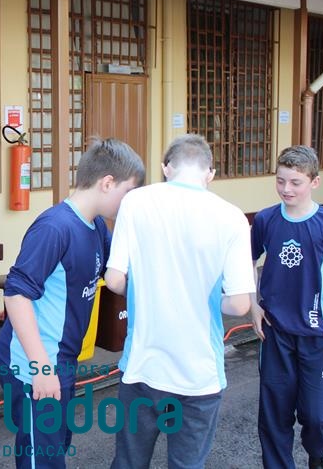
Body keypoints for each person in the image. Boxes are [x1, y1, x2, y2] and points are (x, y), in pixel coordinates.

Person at [105, 134, 255, 469]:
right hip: (199, 374)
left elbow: (114, 280)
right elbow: (239, 305)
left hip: (143, 366)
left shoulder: (136, 202)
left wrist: (149, 292)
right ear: (210, 173)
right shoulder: (232, 217)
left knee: (129, 462)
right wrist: (203, 299)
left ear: (166, 168)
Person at [0, 138, 144, 469]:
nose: (129, 203)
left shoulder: (95, 226)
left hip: (62, 358)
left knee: (56, 444)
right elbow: (16, 295)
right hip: (35, 361)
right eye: (128, 192)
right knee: (42, 456)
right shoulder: (55, 227)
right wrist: (40, 367)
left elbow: (118, 275)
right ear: (107, 183)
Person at [250, 145, 323, 469]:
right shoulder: (266, 219)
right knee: (274, 416)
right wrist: (253, 305)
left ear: (314, 182)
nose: (286, 189)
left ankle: (319, 455)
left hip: (320, 335)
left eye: (295, 182)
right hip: (276, 333)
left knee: (316, 415)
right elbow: (247, 262)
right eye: (280, 180)